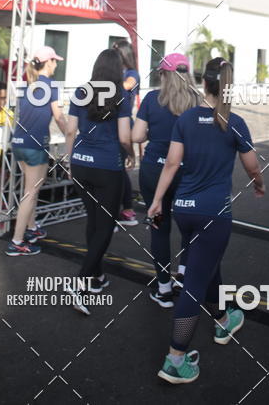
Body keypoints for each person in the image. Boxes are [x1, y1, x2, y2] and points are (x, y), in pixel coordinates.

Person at [148, 57, 265, 384]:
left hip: (183, 210)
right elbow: (252, 166)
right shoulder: (234, 122)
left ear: (204, 83)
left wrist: (158, 200)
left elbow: (171, 164)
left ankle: (225, 318)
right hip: (213, 215)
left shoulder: (186, 119)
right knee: (196, 281)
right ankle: (175, 359)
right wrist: (259, 184)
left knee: (207, 266)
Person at [66, 49, 135, 313]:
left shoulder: (81, 91)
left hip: (81, 163)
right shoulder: (121, 95)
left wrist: (70, 162)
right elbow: (125, 137)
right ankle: (82, 281)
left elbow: (71, 129)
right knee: (105, 225)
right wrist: (130, 155)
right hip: (107, 167)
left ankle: (96, 276)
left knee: (94, 221)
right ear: (118, 70)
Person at [132, 52, 197, 307]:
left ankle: (163, 288)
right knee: (189, 229)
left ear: (163, 74)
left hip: (154, 171)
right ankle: (183, 276)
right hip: (186, 173)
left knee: (159, 227)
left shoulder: (151, 98)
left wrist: (155, 131)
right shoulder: (197, 100)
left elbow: (137, 136)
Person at [6, 46, 68, 256]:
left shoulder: (27, 85)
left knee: (31, 190)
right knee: (30, 193)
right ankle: (16, 241)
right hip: (34, 145)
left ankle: (31, 229)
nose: (56, 64)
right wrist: (72, 136)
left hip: (19, 143)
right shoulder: (50, 86)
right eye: (55, 61)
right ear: (48, 62)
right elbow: (58, 117)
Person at [113, 39, 140, 226]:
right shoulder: (113, 73)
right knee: (115, 169)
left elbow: (126, 85)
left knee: (119, 169)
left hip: (123, 123)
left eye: (116, 52)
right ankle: (120, 210)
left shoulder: (132, 74)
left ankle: (127, 209)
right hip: (109, 123)